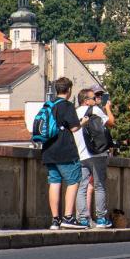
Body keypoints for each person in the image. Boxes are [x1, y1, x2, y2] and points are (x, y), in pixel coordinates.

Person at [41, 77, 86, 230]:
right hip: (64, 150)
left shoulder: (48, 105)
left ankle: (55, 220)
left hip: (48, 150)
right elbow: (74, 128)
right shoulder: (67, 105)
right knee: (73, 181)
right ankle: (68, 217)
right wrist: (82, 123)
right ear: (69, 90)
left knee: (54, 182)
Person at [72, 86, 114, 228]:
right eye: (93, 98)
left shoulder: (74, 113)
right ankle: (101, 218)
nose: (95, 100)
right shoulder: (95, 110)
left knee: (81, 187)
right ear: (86, 101)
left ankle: (82, 219)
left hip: (81, 155)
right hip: (97, 153)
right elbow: (111, 122)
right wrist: (108, 108)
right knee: (99, 185)